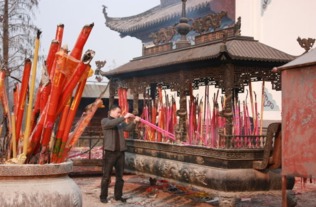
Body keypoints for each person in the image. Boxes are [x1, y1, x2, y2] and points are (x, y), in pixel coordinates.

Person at [100, 104, 140, 203]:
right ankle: (103, 196)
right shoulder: (105, 121)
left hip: (120, 153)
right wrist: (124, 117)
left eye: (120, 113)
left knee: (120, 177)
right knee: (106, 176)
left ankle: (118, 196)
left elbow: (128, 128)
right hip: (110, 153)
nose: (119, 114)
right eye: (118, 112)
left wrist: (134, 122)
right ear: (111, 111)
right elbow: (111, 124)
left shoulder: (119, 123)